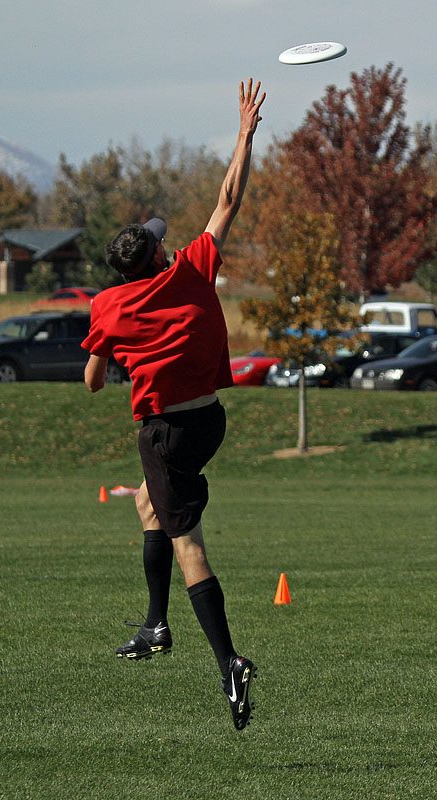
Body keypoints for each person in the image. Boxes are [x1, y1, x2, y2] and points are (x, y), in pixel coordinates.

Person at [82, 78, 266, 731]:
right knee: (145, 503)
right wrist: (244, 134)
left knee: (187, 541)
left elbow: (92, 380)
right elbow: (228, 199)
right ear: (159, 255)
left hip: (163, 432)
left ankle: (228, 665)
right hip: (209, 418)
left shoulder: (109, 306)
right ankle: (157, 623)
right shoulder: (190, 270)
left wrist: (115, 352)